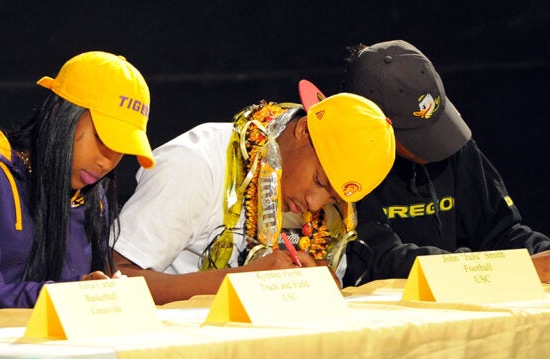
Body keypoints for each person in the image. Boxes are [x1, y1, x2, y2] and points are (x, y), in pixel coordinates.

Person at [113, 81, 397, 304]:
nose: (314, 203)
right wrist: (245, 281)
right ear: (302, 131)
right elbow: (117, 279)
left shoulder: (320, 208)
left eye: (333, 198)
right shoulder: (195, 165)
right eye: (319, 182)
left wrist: (319, 282)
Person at [0, 51, 155, 312]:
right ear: (61, 111)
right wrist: (69, 295)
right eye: (103, 139)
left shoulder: (93, 192)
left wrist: (102, 291)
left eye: (122, 148)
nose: (107, 162)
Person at [341, 40, 550, 286]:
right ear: (374, 123)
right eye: (418, 134)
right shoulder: (344, 165)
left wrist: (541, 252)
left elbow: (500, 231)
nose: (438, 144)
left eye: (438, 123)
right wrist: (504, 271)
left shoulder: (455, 145)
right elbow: (383, 261)